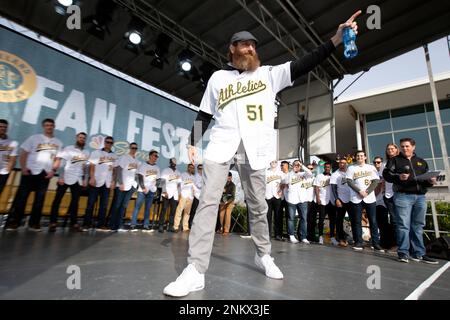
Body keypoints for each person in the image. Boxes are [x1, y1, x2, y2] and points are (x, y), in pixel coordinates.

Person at [163, 11, 361, 297]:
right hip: (222, 145)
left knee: (258, 205)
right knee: (207, 202)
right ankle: (195, 269)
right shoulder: (218, 78)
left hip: (253, 150)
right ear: (232, 49)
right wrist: (193, 141)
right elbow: (204, 113)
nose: (250, 48)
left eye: (253, 45)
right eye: (244, 44)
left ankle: (263, 254)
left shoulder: (269, 74)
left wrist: (336, 38)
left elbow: (308, 60)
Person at [383, 138, 438, 264]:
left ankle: (419, 253)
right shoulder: (394, 160)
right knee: (403, 225)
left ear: (413, 147)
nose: (404, 148)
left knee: (418, 226)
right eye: (402, 146)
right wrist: (398, 177)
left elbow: (426, 180)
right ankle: (403, 253)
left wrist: (430, 181)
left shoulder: (421, 162)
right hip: (403, 196)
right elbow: (387, 175)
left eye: (407, 146)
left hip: (420, 197)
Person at [5, 119, 62, 231]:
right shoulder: (34, 138)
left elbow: (57, 158)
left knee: (39, 200)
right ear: (43, 126)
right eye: (46, 125)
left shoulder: (58, 142)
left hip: (44, 173)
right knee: (21, 198)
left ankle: (34, 223)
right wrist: (23, 168)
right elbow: (24, 153)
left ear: (54, 126)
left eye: (51, 125)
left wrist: (52, 171)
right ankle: (15, 222)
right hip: (30, 171)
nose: (49, 127)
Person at [49, 132, 89, 232]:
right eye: (80, 137)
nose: (82, 139)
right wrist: (61, 176)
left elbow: (85, 167)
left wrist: (85, 179)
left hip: (78, 179)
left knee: (75, 203)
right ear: (76, 138)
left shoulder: (87, 152)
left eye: (83, 138)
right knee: (57, 200)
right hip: (65, 177)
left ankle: (73, 224)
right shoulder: (68, 148)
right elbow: (61, 163)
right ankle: (53, 222)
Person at [346, 151, 384, 252]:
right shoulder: (351, 168)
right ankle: (358, 242)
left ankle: (376, 243)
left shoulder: (371, 167)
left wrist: (367, 191)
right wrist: (359, 191)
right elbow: (349, 181)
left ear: (365, 157)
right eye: (358, 156)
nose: (360, 157)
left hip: (369, 197)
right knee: (357, 221)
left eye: (362, 156)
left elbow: (376, 181)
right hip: (356, 198)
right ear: (356, 157)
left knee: (373, 221)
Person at [82, 136, 117, 231]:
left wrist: (113, 181)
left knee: (104, 205)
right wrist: (92, 177)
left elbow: (114, 170)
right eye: (107, 142)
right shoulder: (96, 153)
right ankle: (86, 224)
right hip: (96, 181)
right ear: (104, 142)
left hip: (107, 183)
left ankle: (101, 224)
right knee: (90, 204)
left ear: (112, 144)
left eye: (110, 142)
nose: (108, 144)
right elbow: (92, 166)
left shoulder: (114, 156)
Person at [109, 142, 141, 232]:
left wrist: (135, 186)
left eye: (135, 148)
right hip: (122, 185)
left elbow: (136, 174)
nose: (134, 149)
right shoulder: (124, 157)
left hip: (131, 186)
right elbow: (119, 170)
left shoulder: (137, 161)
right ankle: (112, 225)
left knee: (123, 206)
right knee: (117, 205)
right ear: (130, 148)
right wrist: (120, 182)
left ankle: (119, 225)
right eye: (132, 148)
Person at [283, 160, 313, 244]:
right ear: (292, 166)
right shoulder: (289, 174)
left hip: (302, 199)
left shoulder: (303, 174)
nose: (297, 166)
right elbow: (286, 181)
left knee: (304, 219)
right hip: (292, 199)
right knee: (291, 218)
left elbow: (310, 173)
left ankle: (303, 237)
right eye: (295, 165)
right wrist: (293, 169)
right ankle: (291, 235)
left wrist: (302, 165)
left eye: (298, 165)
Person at [130, 150, 160, 232]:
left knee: (148, 208)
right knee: (137, 207)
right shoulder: (144, 165)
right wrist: (143, 188)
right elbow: (139, 177)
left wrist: (155, 187)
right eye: (154, 155)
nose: (155, 157)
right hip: (142, 190)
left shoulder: (157, 168)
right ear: (150, 156)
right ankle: (133, 224)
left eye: (157, 156)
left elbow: (158, 179)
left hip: (151, 191)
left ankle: (146, 225)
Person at [330, 158, 351, 247]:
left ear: (347, 164)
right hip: (341, 199)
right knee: (339, 220)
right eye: (340, 163)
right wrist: (336, 199)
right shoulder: (335, 174)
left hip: (351, 199)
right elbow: (333, 188)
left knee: (354, 219)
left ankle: (356, 239)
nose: (342, 164)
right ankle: (340, 239)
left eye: (344, 163)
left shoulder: (350, 172)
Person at [312, 162, 334, 245]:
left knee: (332, 219)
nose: (327, 168)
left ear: (330, 168)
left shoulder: (333, 176)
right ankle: (320, 237)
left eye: (329, 167)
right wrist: (317, 197)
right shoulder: (319, 176)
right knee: (321, 219)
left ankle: (332, 237)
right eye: (326, 167)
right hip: (322, 200)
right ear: (324, 168)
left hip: (331, 201)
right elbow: (316, 187)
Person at [158, 158, 182, 233]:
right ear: (170, 163)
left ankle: (170, 226)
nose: (173, 164)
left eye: (175, 163)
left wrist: (178, 194)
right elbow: (162, 182)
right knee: (164, 209)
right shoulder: (165, 170)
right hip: (166, 192)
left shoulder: (178, 172)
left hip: (174, 194)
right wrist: (164, 191)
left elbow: (179, 184)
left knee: (173, 211)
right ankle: (161, 226)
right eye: (172, 162)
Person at [383, 143, 399, 250]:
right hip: (388, 196)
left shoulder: (401, 161)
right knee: (393, 220)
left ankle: (406, 245)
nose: (390, 150)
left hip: (399, 194)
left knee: (402, 220)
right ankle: (396, 244)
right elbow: (381, 180)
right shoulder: (385, 164)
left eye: (392, 149)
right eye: (388, 149)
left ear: (396, 150)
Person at [373, 156, 390, 249]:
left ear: (382, 162)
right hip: (375, 202)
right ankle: (381, 241)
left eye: (378, 162)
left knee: (383, 223)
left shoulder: (384, 171)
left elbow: (378, 189)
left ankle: (386, 243)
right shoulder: (373, 171)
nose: (376, 164)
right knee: (378, 223)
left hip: (383, 201)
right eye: (375, 162)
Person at [174, 163, 196, 232]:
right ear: (188, 168)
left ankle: (185, 227)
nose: (191, 169)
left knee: (187, 212)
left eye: (193, 168)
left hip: (190, 196)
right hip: (183, 194)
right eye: (190, 167)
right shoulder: (183, 174)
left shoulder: (193, 177)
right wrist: (179, 194)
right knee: (179, 211)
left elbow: (194, 187)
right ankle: (176, 226)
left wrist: (193, 195)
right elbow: (179, 185)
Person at [265, 160, 283, 239]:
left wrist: (281, 189)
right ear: (270, 163)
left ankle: (278, 234)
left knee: (278, 216)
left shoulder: (280, 173)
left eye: (275, 162)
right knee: (267, 216)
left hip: (277, 196)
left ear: (277, 163)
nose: (273, 163)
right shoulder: (265, 172)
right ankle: (267, 234)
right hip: (267, 196)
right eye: (272, 162)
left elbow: (285, 182)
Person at [0, 119, 18, 195]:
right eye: (0, 126)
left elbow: (13, 159)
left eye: (5, 127)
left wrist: (7, 171)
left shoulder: (13, 143)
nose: (3, 128)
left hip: (3, 173)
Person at [188, 164, 203, 229]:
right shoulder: (195, 176)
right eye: (199, 168)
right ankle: (190, 223)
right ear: (197, 169)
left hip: (201, 196)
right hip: (196, 196)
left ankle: (196, 224)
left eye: (202, 168)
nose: (201, 170)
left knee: (199, 211)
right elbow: (198, 185)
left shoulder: (204, 177)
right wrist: (203, 185)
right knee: (193, 211)